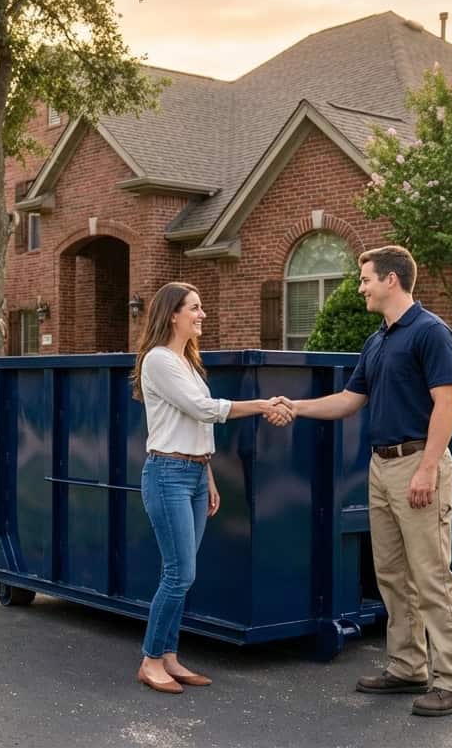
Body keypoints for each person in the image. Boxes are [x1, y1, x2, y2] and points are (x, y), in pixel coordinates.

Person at [278, 245, 452, 717]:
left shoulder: (430, 333)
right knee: (392, 574)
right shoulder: (378, 340)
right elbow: (348, 400)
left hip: (417, 463)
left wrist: (426, 467)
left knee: (431, 576)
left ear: (391, 280)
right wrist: (296, 407)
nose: (360, 287)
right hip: (381, 466)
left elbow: (447, 404)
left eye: (365, 279)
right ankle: (408, 667)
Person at [131, 282, 293, 694]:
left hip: (192, 474)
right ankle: (150, 659)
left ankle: (169, 656)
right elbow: (202, 409)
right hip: (166, 474)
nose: (202, 315)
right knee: (178, 572)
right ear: (173, 314)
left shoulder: (187, 363)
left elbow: (195, 424)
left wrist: (208, 474)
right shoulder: (159, 361)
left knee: (184, 574)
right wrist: (260, 405)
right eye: (195, 308)